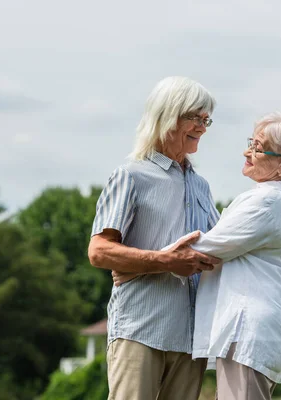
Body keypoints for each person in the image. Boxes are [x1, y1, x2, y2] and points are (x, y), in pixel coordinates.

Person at [88, 76, 223, 400]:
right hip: (140, 331)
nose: (203, 127)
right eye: (195, 117)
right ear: (167, 115)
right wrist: (166, 261)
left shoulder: (201, 186)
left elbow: (226, 246)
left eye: (206, 120)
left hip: (192, 340)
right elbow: (99, 251)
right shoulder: (131, 176)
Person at [185, 112, 281, 400]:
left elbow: (201, 250)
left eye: (258, 147)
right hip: (257, 335)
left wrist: (137, 261)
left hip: (248, 332)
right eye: (251, 143)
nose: (248, 151)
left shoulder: (267, 203)